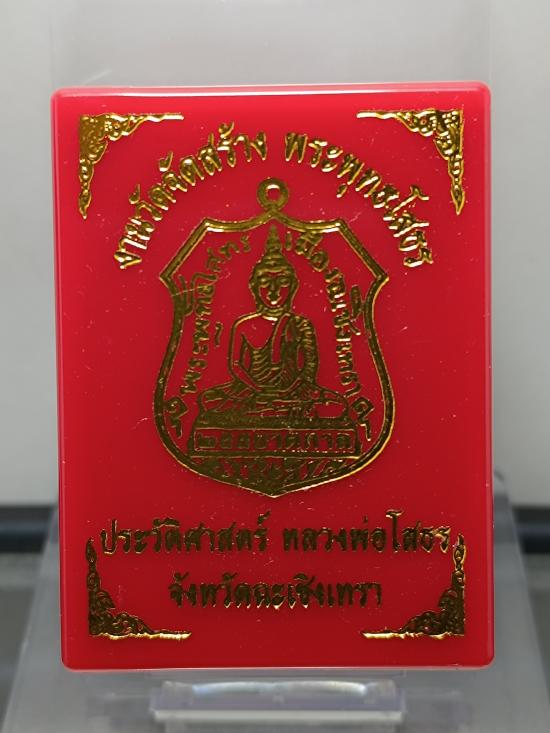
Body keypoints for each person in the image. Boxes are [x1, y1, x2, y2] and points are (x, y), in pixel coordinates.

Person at [195, 226, 351, 427]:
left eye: (282, 282)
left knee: (337, 405)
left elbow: (309, 368)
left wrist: (288, 391)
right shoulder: (244, 325)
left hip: (293, 392)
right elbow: (236, 366)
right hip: (252, 391)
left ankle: (273, 411)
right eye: (265, 282)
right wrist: (258, 389)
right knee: (209, 400)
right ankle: (278, 411)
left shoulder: (300, 324)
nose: (273, 290)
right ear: (254, 287)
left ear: (293, 287)